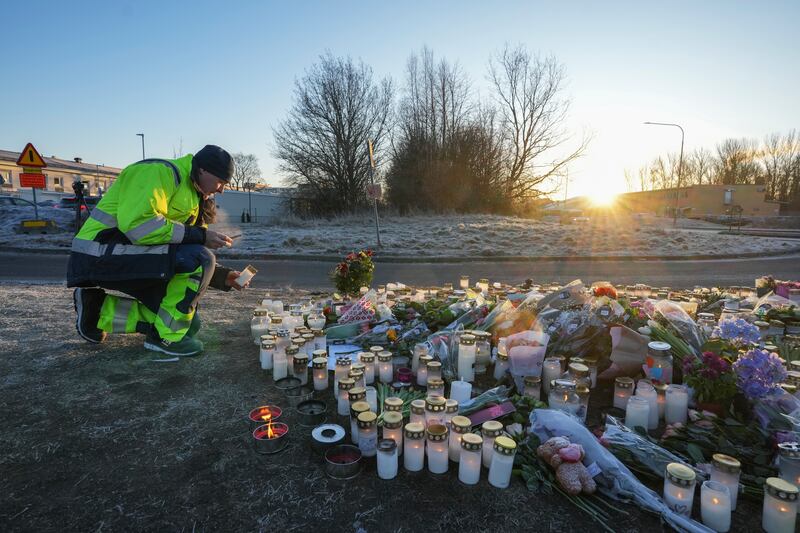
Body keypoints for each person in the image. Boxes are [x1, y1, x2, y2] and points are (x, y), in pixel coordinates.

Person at [66, 145, 247, 356]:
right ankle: (165, 340)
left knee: (188, 325)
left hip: (129, 255)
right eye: (221, 182)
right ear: (204, 170)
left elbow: (182, 249)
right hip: (98, 253)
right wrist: (201, 236)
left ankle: (96, 311)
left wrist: (224, 277)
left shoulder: (195, 196)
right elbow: (139, 227)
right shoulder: (158, 172)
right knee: (199, 259)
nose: (221, 190)